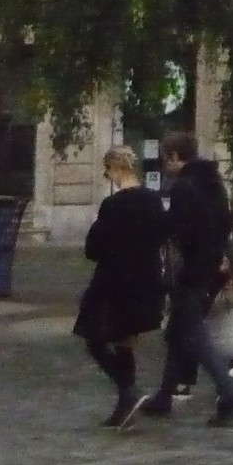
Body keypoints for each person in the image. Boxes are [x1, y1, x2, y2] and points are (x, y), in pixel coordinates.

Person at [130, 133, 233, 427]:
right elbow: (225, 222)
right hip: (211, 267)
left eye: (166, 158)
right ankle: (164, 396)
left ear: (173, 157)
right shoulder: (213, 182)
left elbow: (179, 230)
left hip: (191, 270)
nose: (165, 165)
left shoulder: (183, 186)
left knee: (192, 332)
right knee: (177, 334)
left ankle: (229, 392)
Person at [73, 147, 168, 427]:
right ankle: (125, 404)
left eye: (108, 172)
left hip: (115, 280)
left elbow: (94, 248)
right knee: (126, 339)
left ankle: (128, 390)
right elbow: (161, 235)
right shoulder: (153, 201)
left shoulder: (113, 205)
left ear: (115, 169)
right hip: (146, 279)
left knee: (92, 336)